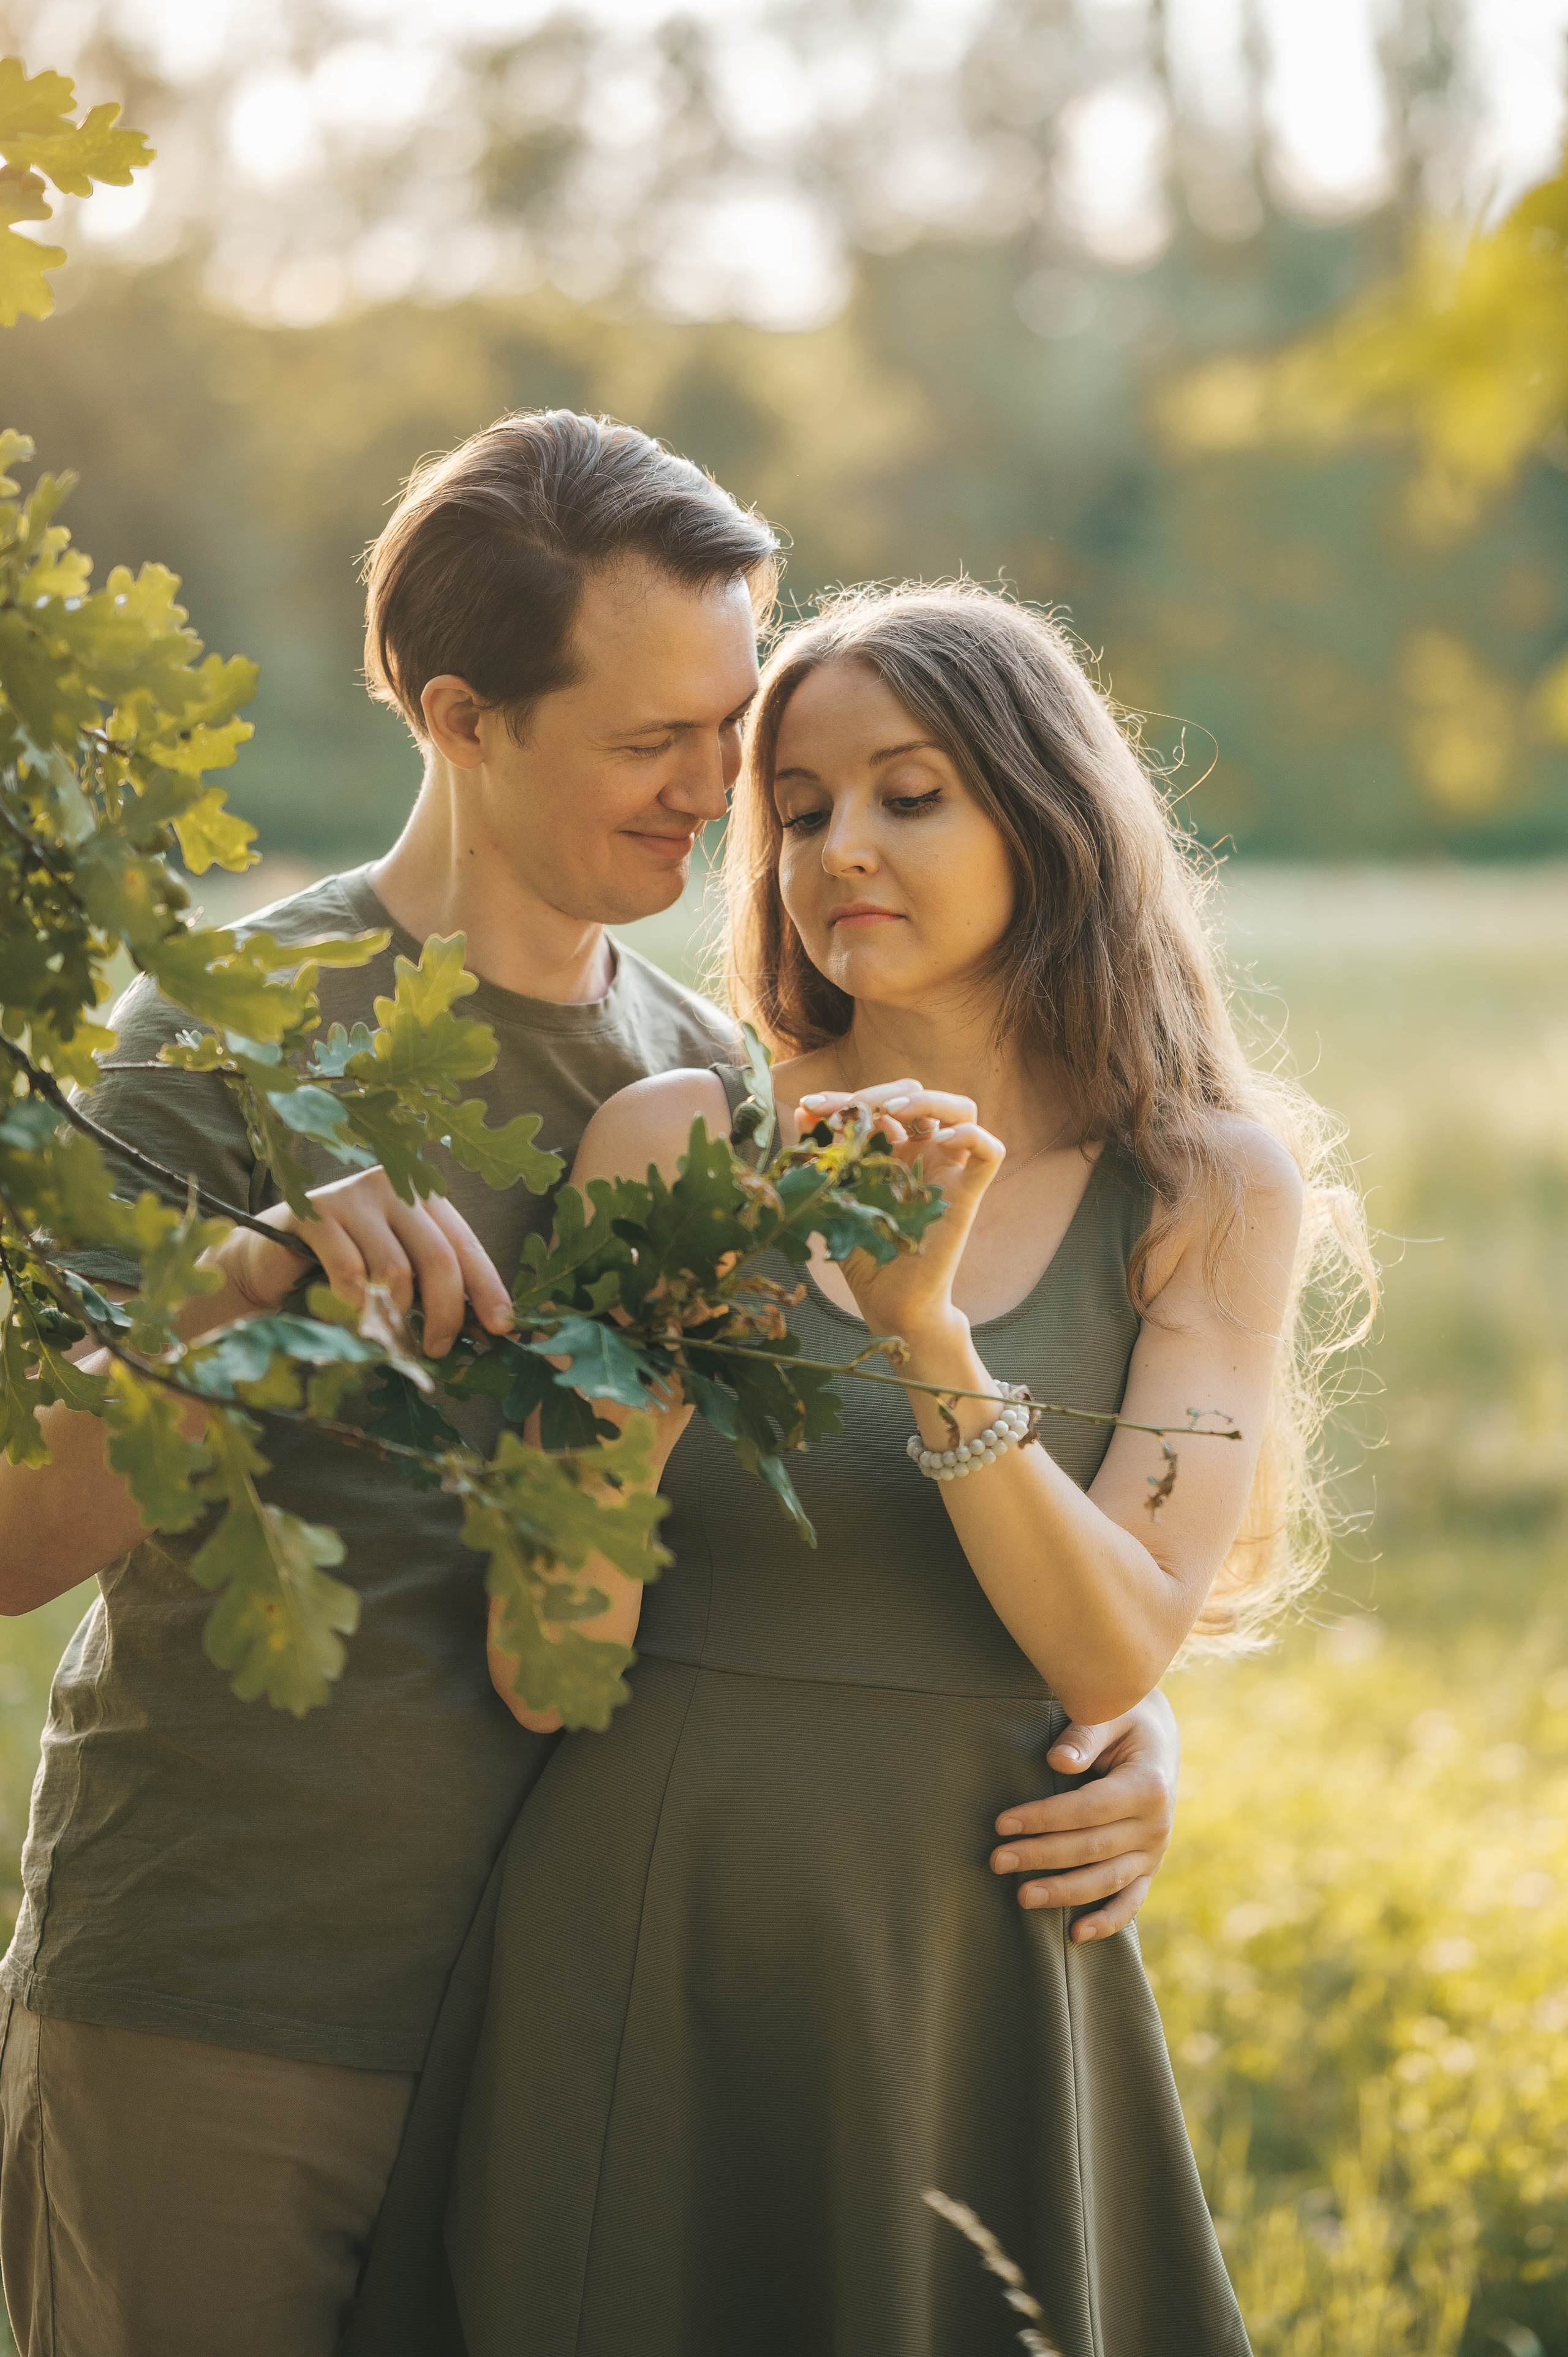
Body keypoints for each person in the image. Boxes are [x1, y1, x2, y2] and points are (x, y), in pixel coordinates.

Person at [0, 420, 1182, 2357]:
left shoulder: (712, 1089)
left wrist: (1117, 1733)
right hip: (236, 2004)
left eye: (730, 730)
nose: (719, 795)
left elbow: (817, 1522)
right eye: (656, 742)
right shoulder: (224, 1036)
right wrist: (252, 1281)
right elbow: (13, 1542)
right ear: (464, 719)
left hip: (584, 2033)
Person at [349, 580, 1371, 2357]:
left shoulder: (1208, 1186)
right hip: (646, 1936)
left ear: (1043, 821)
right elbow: (546, 1656)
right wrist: (669, 1350)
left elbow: (1111, 1650)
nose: (839, 851)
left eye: (910, 794)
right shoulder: (676, 1141)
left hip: (965, 1956)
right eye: (800, 807)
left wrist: (928, 1334)